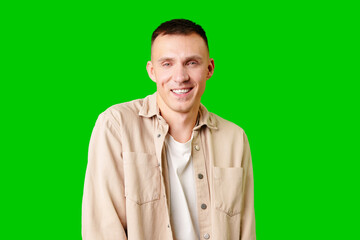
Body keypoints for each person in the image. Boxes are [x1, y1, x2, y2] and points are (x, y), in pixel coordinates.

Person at [82, 19, 256, 240]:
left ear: (209, 68)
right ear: (152, 71)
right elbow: (103, 228)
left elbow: (245, 229)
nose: (180, 77)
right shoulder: (116, 126)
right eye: (167, 64)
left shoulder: (234, 138)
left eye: (191, 63)